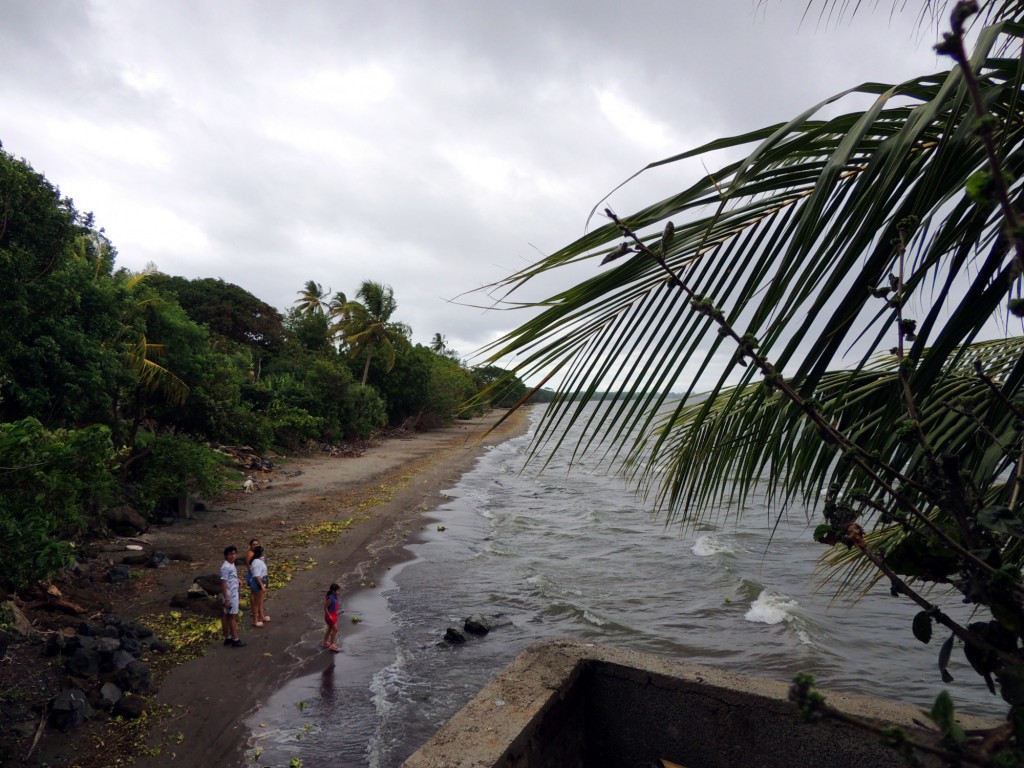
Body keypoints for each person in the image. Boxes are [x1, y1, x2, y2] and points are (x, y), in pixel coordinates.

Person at [220, 545, 245, 647]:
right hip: (230, 594)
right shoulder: (226, 567)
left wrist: (237, 580)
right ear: (226, 556)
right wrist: (227, 598)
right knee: (232, 616)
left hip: (231, 592)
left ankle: (228, 637)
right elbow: (223, 582)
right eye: (230, 554)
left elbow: (230, 578)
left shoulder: (231, 565)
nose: (232, 556)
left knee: (226, 616)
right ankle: (235, 639)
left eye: (234, 553)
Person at [248, 545, 271, 627]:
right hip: (258, 582)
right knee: (257, 602)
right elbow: (256, 576)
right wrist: (262, 585)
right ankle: (255, 620)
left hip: (261, 580)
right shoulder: (257, 563)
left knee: (260, 601)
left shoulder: (257, 561)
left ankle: (261, 616)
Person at [321, 583, 341, 652]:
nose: (339, 592)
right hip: (330, 616)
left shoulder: (334, 597)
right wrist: (329, 616)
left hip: (333, 615)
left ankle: (325, 642)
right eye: (337, 591)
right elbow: (325, 608)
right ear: (333, 591)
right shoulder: (330, 599)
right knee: (335, 629)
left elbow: (333, 607)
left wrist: (336, 613)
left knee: (330, 629)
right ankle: (332, 645)